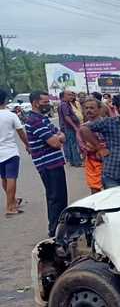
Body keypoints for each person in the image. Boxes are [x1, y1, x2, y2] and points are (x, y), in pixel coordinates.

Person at [24, 90, 67, 237]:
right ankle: (55, 232)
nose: (48, 104)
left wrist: (58, 137)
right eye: (45, 102)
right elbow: (56, 142)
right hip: (48, 165)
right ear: (36, 103)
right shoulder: (35, 121)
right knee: (56, 199)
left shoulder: (43, 119)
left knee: (60, 198)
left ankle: (60, 229)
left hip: (54, 163)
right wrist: (58, 138)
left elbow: (62, 135)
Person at [0, 88, 29, 216]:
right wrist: (28, 145)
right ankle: (10, 207)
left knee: (4, 178)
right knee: (11, 178)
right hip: (10, 152)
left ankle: (12, 200)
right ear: (5, 100)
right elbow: (21, 133)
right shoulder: (11, 115)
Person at [78, 99, 106, 193]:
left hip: (107, 161)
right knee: (94, 190)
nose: (89, 110)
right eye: (86, 108)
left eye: (92, 108)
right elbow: (81, 145)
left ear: (99, 109)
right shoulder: (83, 127)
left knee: (109, 189)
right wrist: (88, 148)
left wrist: (100, 146)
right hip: (91, 162)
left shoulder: (107, 124)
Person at [58, 90, 82, 167]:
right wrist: (75, 127)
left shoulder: (65, 104)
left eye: (71, 95)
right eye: (69, 95)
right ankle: (77, 162)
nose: (71, 96)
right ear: (63, 96)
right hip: (69, 127)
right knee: (74, 144)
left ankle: (72, 161)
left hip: (67, 127)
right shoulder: (64, 105)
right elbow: (67, 117)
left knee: (70, 144)